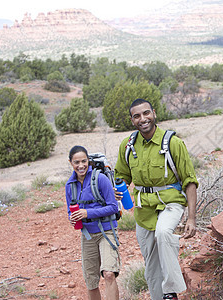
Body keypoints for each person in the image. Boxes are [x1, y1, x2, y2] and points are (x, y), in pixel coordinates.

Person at [114, 98, 198, 300]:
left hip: (171, 202)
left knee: (163, 232)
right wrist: (119, 188)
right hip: (144, 210)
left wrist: (192, 218)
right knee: (151, 264)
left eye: (146, 113)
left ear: (154, 113)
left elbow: (190, 181)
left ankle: (171, 291)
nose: (142, 119)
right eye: (137, 116)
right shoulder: (128, 146)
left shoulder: (173, 143)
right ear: (132, 120)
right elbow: (122, 176)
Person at [65, 145, 120, 300]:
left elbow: (113, 207)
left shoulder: (100, 179)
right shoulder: (70, 185)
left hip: (106, 231)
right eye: (77, 162)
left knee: (109, 274)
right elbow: (70, 210)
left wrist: (87, 213)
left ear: (88, 161)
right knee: (91, 280)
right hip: (88, 235)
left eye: (84, 161)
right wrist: (72, 217)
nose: (81, 165)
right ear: (71, 163)